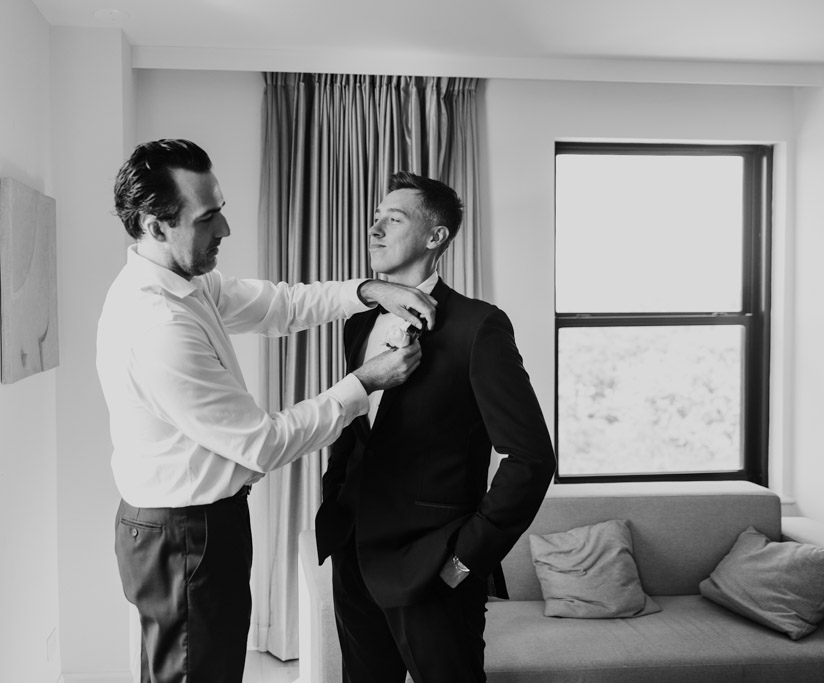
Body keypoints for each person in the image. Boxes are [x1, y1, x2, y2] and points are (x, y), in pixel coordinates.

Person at [96, 139, 438, 683]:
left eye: (222, 210)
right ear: (155, 225)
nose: (225, 230)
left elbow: (280, 304)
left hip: (195, 525)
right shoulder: (158, 326)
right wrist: (365, 383)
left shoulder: (187, 283)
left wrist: (369, 290)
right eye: (208, 218)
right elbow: (263, 442)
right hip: (185, 534)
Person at [315, 172, 557, 682]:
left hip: (433, 567)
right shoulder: (359, 322)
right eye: (375, 217)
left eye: (393, 218)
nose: (374, 229)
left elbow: (530, 458)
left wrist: (465, 560)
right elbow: (358, 430)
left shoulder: (479, 326)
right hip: (354, 554)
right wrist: (336, 502)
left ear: (435, 236)